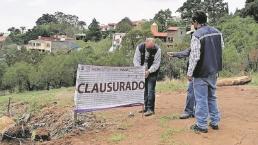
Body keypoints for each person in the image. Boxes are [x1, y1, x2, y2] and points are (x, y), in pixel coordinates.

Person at [187, 11, 224, 133]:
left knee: (201, 98)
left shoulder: (196, 35)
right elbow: (221, 48)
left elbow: (195, 57)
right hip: (214, 71)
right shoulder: (218, 32)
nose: (193, 25)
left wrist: (190, 73)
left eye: (193, 22)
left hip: (201, 72)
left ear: (196, 22)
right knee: (212, 97)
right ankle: (214, 122)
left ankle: (201, 125)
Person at [167, 25, 195, 119]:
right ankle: (195, 111)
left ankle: (189, 111)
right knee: (198, 93)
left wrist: (190, 72)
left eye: (192, 33)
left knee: (192, 91)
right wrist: (174, 54)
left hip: (196, 72)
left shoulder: (198, 42)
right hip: (203, 72)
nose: (192, 35)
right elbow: (186, 52)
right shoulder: (196, 42)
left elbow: (191, 56)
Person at [133, 38, 161, 116]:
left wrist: (149, 71)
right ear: (145, 43)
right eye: (148, 48)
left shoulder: (157, 50)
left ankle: (150, 109)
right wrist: (140, 70)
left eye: (151, 48)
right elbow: (136, 61)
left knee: (150, 90)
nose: (150, 49)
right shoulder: (139, 47)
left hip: (152, 72)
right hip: (142, 71)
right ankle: (146, 108)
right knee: (144, 90)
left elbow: (156, 64)